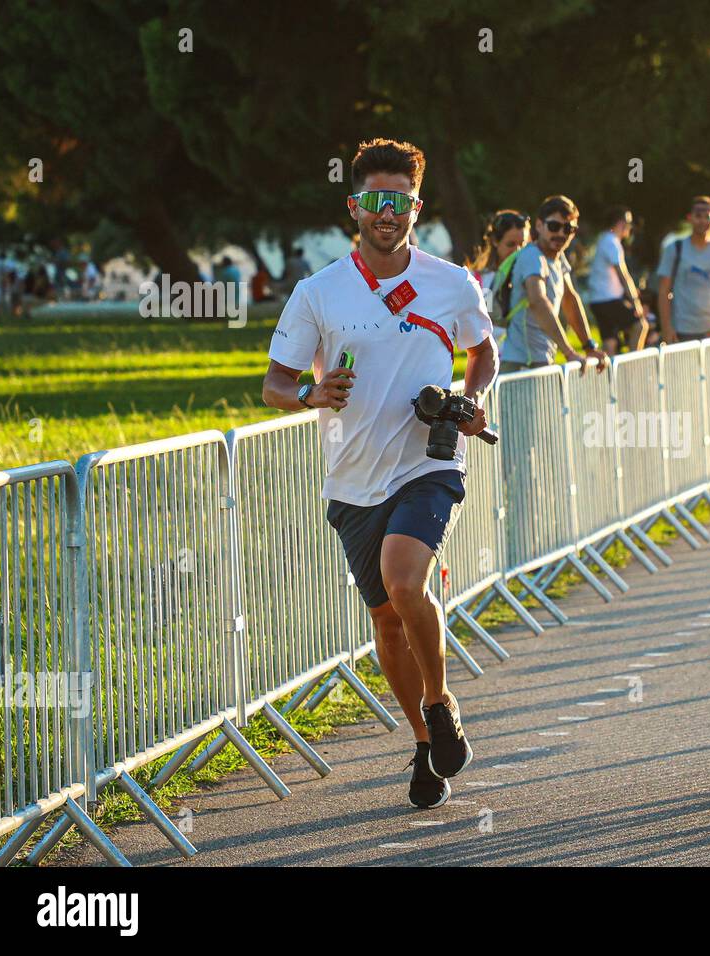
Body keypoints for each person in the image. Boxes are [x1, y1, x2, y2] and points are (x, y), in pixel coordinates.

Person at [261, 138, 498, 811]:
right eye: (374, 201)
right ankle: (425, 740)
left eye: (399, 201)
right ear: (353, 207)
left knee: (404, 579)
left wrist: (475, 399)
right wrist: (310, 395)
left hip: (428, 459)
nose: (386, 213)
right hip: (351, 478)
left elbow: (484, 353)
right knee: (388, 623)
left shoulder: (451, 281)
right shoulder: (318, 291)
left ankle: (441, 699)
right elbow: (275, 384)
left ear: (416, 207)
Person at [500, 195, 609, 372]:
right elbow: (538, 301)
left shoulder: (558, 259)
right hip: (522, 363)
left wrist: (589, 347)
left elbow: (570, 300)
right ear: (539, 225)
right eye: (554, 226)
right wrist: (569, 352)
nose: (561, 233)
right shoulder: (532, 256)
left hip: (540, 359)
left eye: (568, 228)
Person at [656, 196, 710, 342]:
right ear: (689, 218)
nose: (702, 221)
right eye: (698, 216)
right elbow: (663, 291)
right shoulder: (675, 249)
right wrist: (666, 328)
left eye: (707, 216)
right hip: (681, 330)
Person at [588, 205, 648, 355]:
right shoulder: (611, 242)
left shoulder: (604, 240)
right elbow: (623, 275)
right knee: (640, 326)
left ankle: (609, 377)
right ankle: (634, 364)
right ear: (621, 223)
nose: (630, 227)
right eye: (628, 223)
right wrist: (635, 302)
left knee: (610, 342)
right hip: (608, 299)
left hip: (597, 300)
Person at [465, 209, 527, 315]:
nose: (517, 251)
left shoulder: (530, 278)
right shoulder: (475, 279)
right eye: (510, 244)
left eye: (522, 245)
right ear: (495, 241)